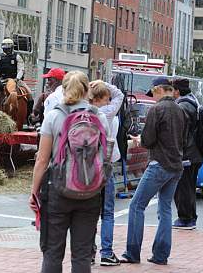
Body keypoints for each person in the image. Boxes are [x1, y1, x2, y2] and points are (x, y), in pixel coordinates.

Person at [30, 71, 109, 273]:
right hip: (90, 191)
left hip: (58, 191)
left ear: (64, 89)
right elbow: (105, 156)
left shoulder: (54, 116)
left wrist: (34, 191)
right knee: (82, 254)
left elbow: (42, 159)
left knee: (53, 252)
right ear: (87, 91)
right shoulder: (99, 117)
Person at [120, 77, 186, 265]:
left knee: (136, 206)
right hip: (176, 165)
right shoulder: (180, 110)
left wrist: (140, 139)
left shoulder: (156, 110)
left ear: (158, 90)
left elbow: (148, 140)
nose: (153, 97)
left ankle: (132, 252)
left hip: (159, 164)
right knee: (165, 209)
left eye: (153, 93)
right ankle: (161, 255)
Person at [88, 80, 124, 267]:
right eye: (106, 98)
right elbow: (120, 95)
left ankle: (89, 252)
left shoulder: (81, 113)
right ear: (101, 98)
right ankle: (107, 252)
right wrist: (104, 83)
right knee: (107, 212)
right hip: (106, 165)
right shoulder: (107, 113)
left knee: (90, 212)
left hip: (86, 169)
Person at [172, 78, 203, 230]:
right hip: (195, 152)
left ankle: (185, 218)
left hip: (187, 154)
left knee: (183, 187)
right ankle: (190, 217)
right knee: (189, 186)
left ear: (177, 91)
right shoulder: (193, 102)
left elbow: (180, 131)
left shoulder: (183, 106)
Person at [0, 38, 33, 116]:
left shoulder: (17, 57)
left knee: (30, 94)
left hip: (16, 80)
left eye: (8, 49)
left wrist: (17, 78)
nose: (7, 51)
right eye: (5, 49)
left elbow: (21, 69)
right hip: (2, 80)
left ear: (12, 48)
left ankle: (28, 116)